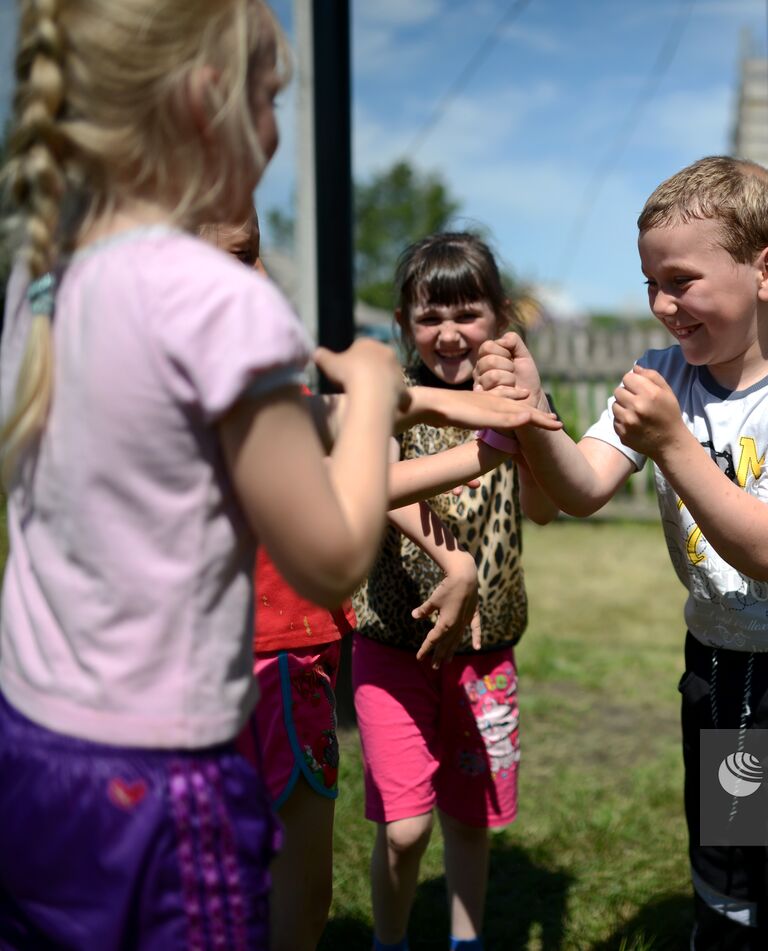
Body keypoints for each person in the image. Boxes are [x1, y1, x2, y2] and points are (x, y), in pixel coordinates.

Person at [0, 2, 405, 946]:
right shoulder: (221, 300)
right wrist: (379, 390)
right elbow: (333, 556)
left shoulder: (42, 287)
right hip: (160, 775)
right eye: (269, 99)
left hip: (28, 745)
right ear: (204, 102)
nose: (274, 129)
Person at [475, 156, 768, 950]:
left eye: (682, 281)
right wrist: (535, 413)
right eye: (650, 285)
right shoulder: (666, 373)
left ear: (767, 270)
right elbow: (581, 488)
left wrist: (671, 439)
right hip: (718, 659)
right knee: (726, 887)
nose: (664, 305)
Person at [199, 209, 487, 951]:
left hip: (278, 666)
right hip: (274, 665)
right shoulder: (216, 409)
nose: (263, 279)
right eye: (242, 257)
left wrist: (476, 426)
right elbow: (348, 479)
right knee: (284, 893)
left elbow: (355, 433)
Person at [352, 231, 560, 951]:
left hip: (484, 650)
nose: (447, 332)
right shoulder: (394, 399)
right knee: (405, 826)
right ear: (404, 321)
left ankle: (467, 940)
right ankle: (390, 939)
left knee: (470, 817)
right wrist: (455, 564)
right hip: (392, 643)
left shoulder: (516, 398)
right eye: (427, 314)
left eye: (467, 312)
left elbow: (541, 506)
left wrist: (528, 415)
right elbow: (376, 487)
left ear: (500, 316)